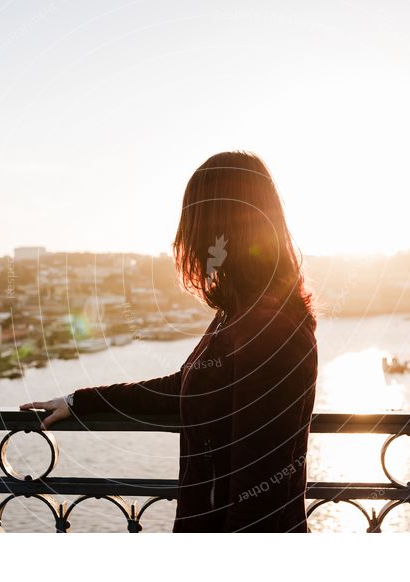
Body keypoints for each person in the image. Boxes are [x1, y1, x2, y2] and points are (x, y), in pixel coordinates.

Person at [20, 150, 318, 532]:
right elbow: (186, 390)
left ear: (223, 230)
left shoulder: (270, 328)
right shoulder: (243, 315)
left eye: (195, 222)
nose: (187, 240)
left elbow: (258, 493)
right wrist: (81, 401)